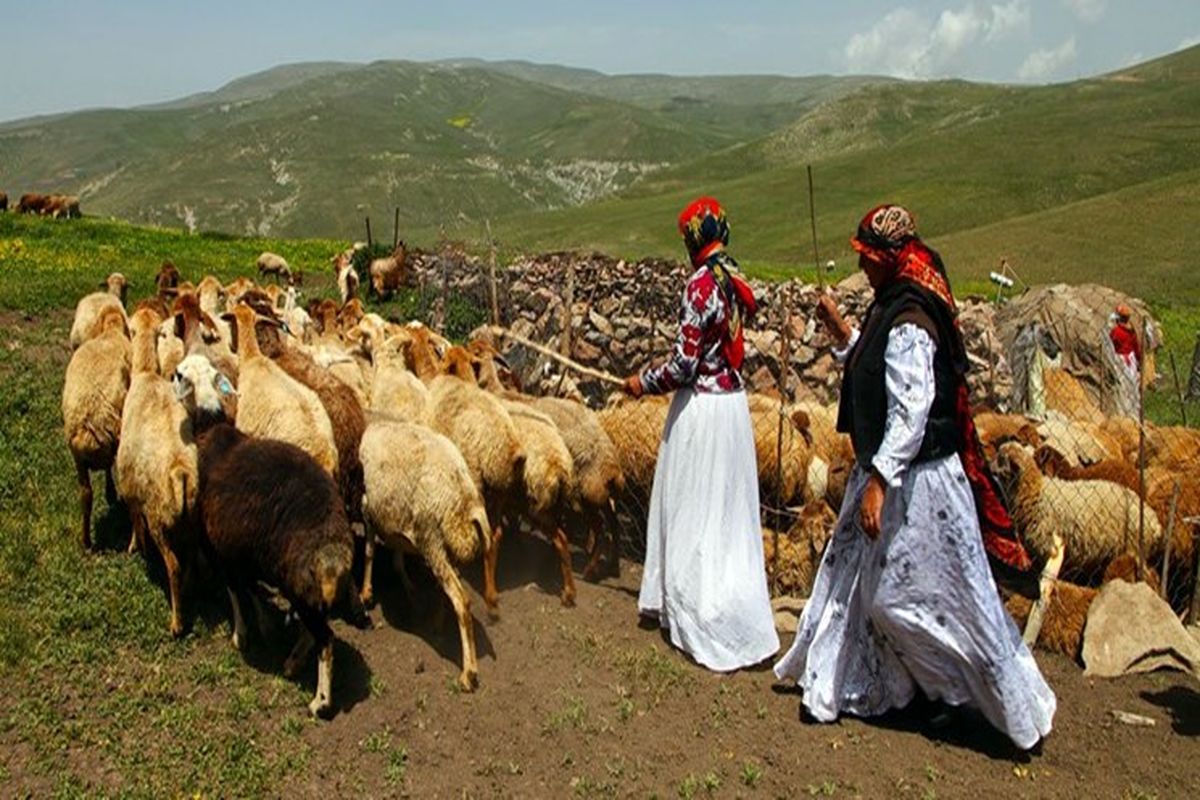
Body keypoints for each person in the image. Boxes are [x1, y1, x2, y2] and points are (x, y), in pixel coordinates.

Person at [773, 204, 1055, 750]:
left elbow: (911, 409)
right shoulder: (896, 304)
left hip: (919, 484)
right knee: (866, 587)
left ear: (888, 258)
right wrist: (844, 335)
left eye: (868, 260)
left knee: (907, 598)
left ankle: (965, 695)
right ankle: (894, 687)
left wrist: (879, 481)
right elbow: (879, 368)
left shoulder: (910, 320)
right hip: (897, 472)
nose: (864, 269)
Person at [621, 196, 779, 672]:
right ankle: (736, 609)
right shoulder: (733, 279)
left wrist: (641, 383)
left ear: (691, 239)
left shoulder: (699, 286)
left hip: (702, 413)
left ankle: (698, 612)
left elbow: (685, 364)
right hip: (733, 409)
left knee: (691, 508)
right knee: (726, 512)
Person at [1109, 304, 1142, 376]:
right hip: (1131, 359)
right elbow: (1136, 348)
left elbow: (1110, 345)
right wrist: (1139, 359)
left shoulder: (1116, 331)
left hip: (1120, 359)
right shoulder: (1132, 331)